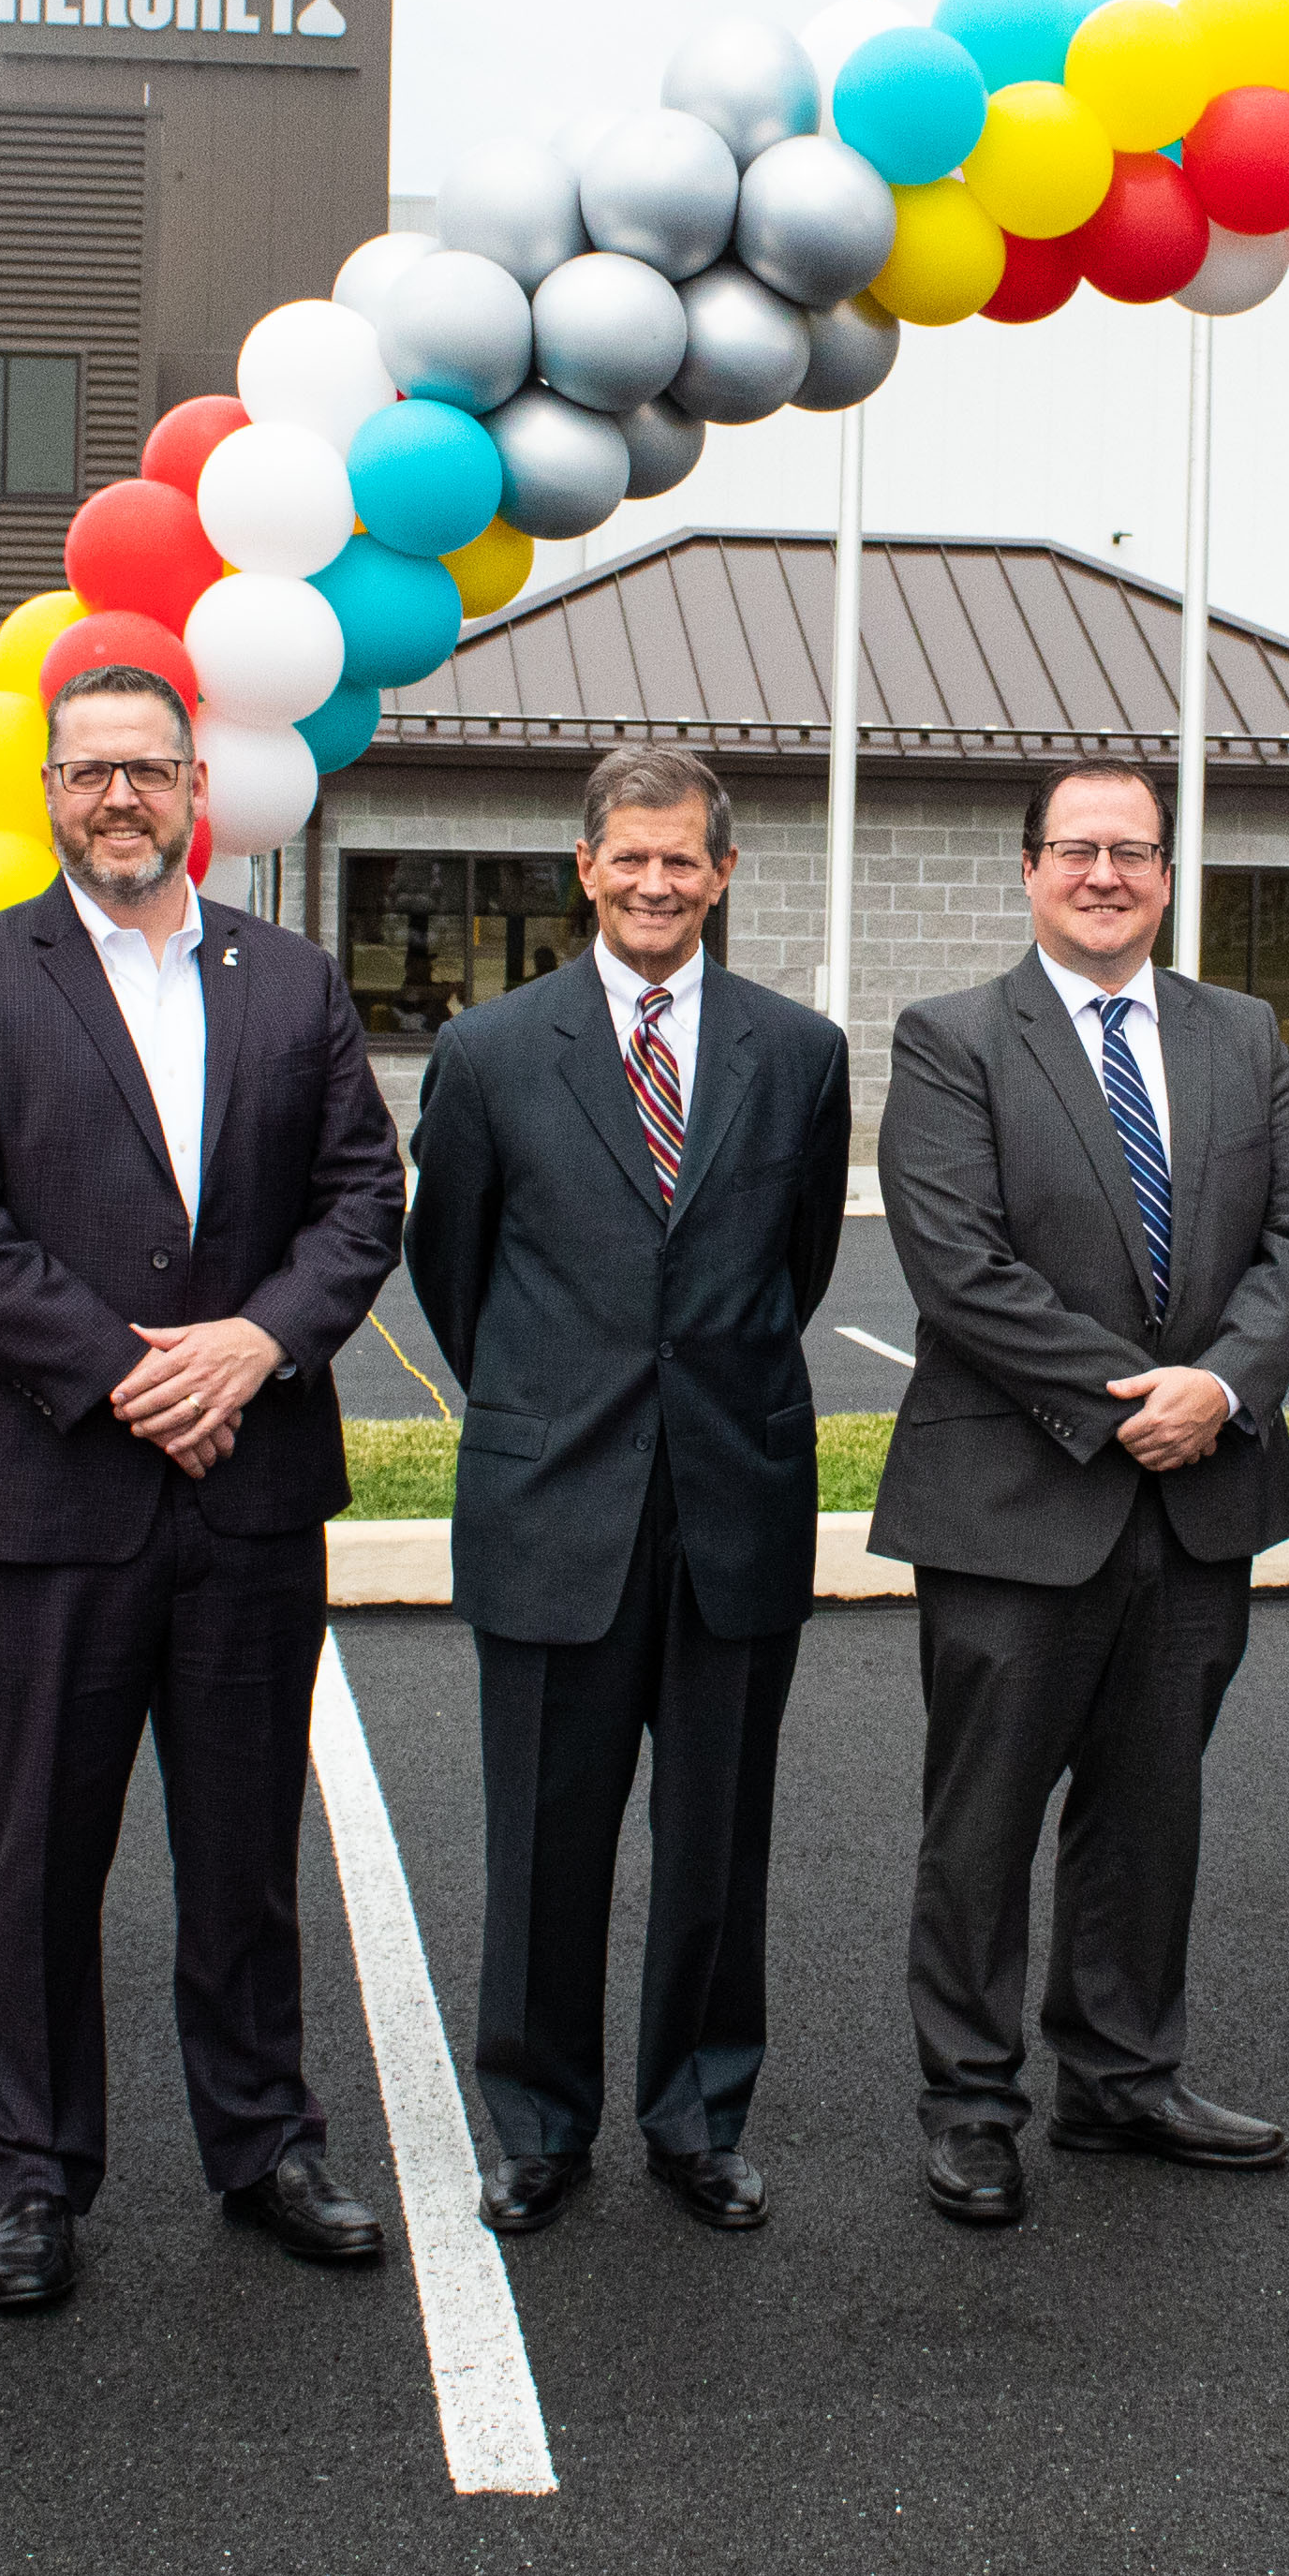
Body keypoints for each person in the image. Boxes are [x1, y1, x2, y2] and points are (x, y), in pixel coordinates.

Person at [0, 661, 407, 2309]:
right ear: (49, 791)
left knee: (244, 1848)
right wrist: (128, 1372)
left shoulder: (292, 980)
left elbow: (360, 1199)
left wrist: (252, 1347)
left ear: (196, 790)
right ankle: (34, 2180)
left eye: (150, 771)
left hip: (247, 1490)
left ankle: (265, 2145)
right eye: (91, 771)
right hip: (45, 1499)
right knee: (37, 1859)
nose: (122, 799)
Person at [870, 762, 1289, 2228]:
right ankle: (971, 2102)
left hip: (1199, 1498)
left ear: (1167, 875)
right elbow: (958, 1265)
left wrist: (1224, 1387)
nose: (1107, 875)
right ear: (1028, 870)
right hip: (1019, 1496)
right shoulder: (950, 1040)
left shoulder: (1240, 1033)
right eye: (1077, 849)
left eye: (1134, 851)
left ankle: (1124, 2077)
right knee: (984, 1819)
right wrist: (1135, 1399)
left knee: (1151, 1810)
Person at [404, 743, 852, 2240]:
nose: (656, 882)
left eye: (685, 859)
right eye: (630, 857)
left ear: (723, 875)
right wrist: (549, 1408)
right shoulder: (487, 1052)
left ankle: (700, 2118)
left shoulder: (797, 1052)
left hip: (734, 1497)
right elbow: (451, 1272)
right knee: (543, 1839)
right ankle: (537, 2126)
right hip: (555, 1502)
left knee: (717, 1839)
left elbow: (797, 1270)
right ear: (582, 869)